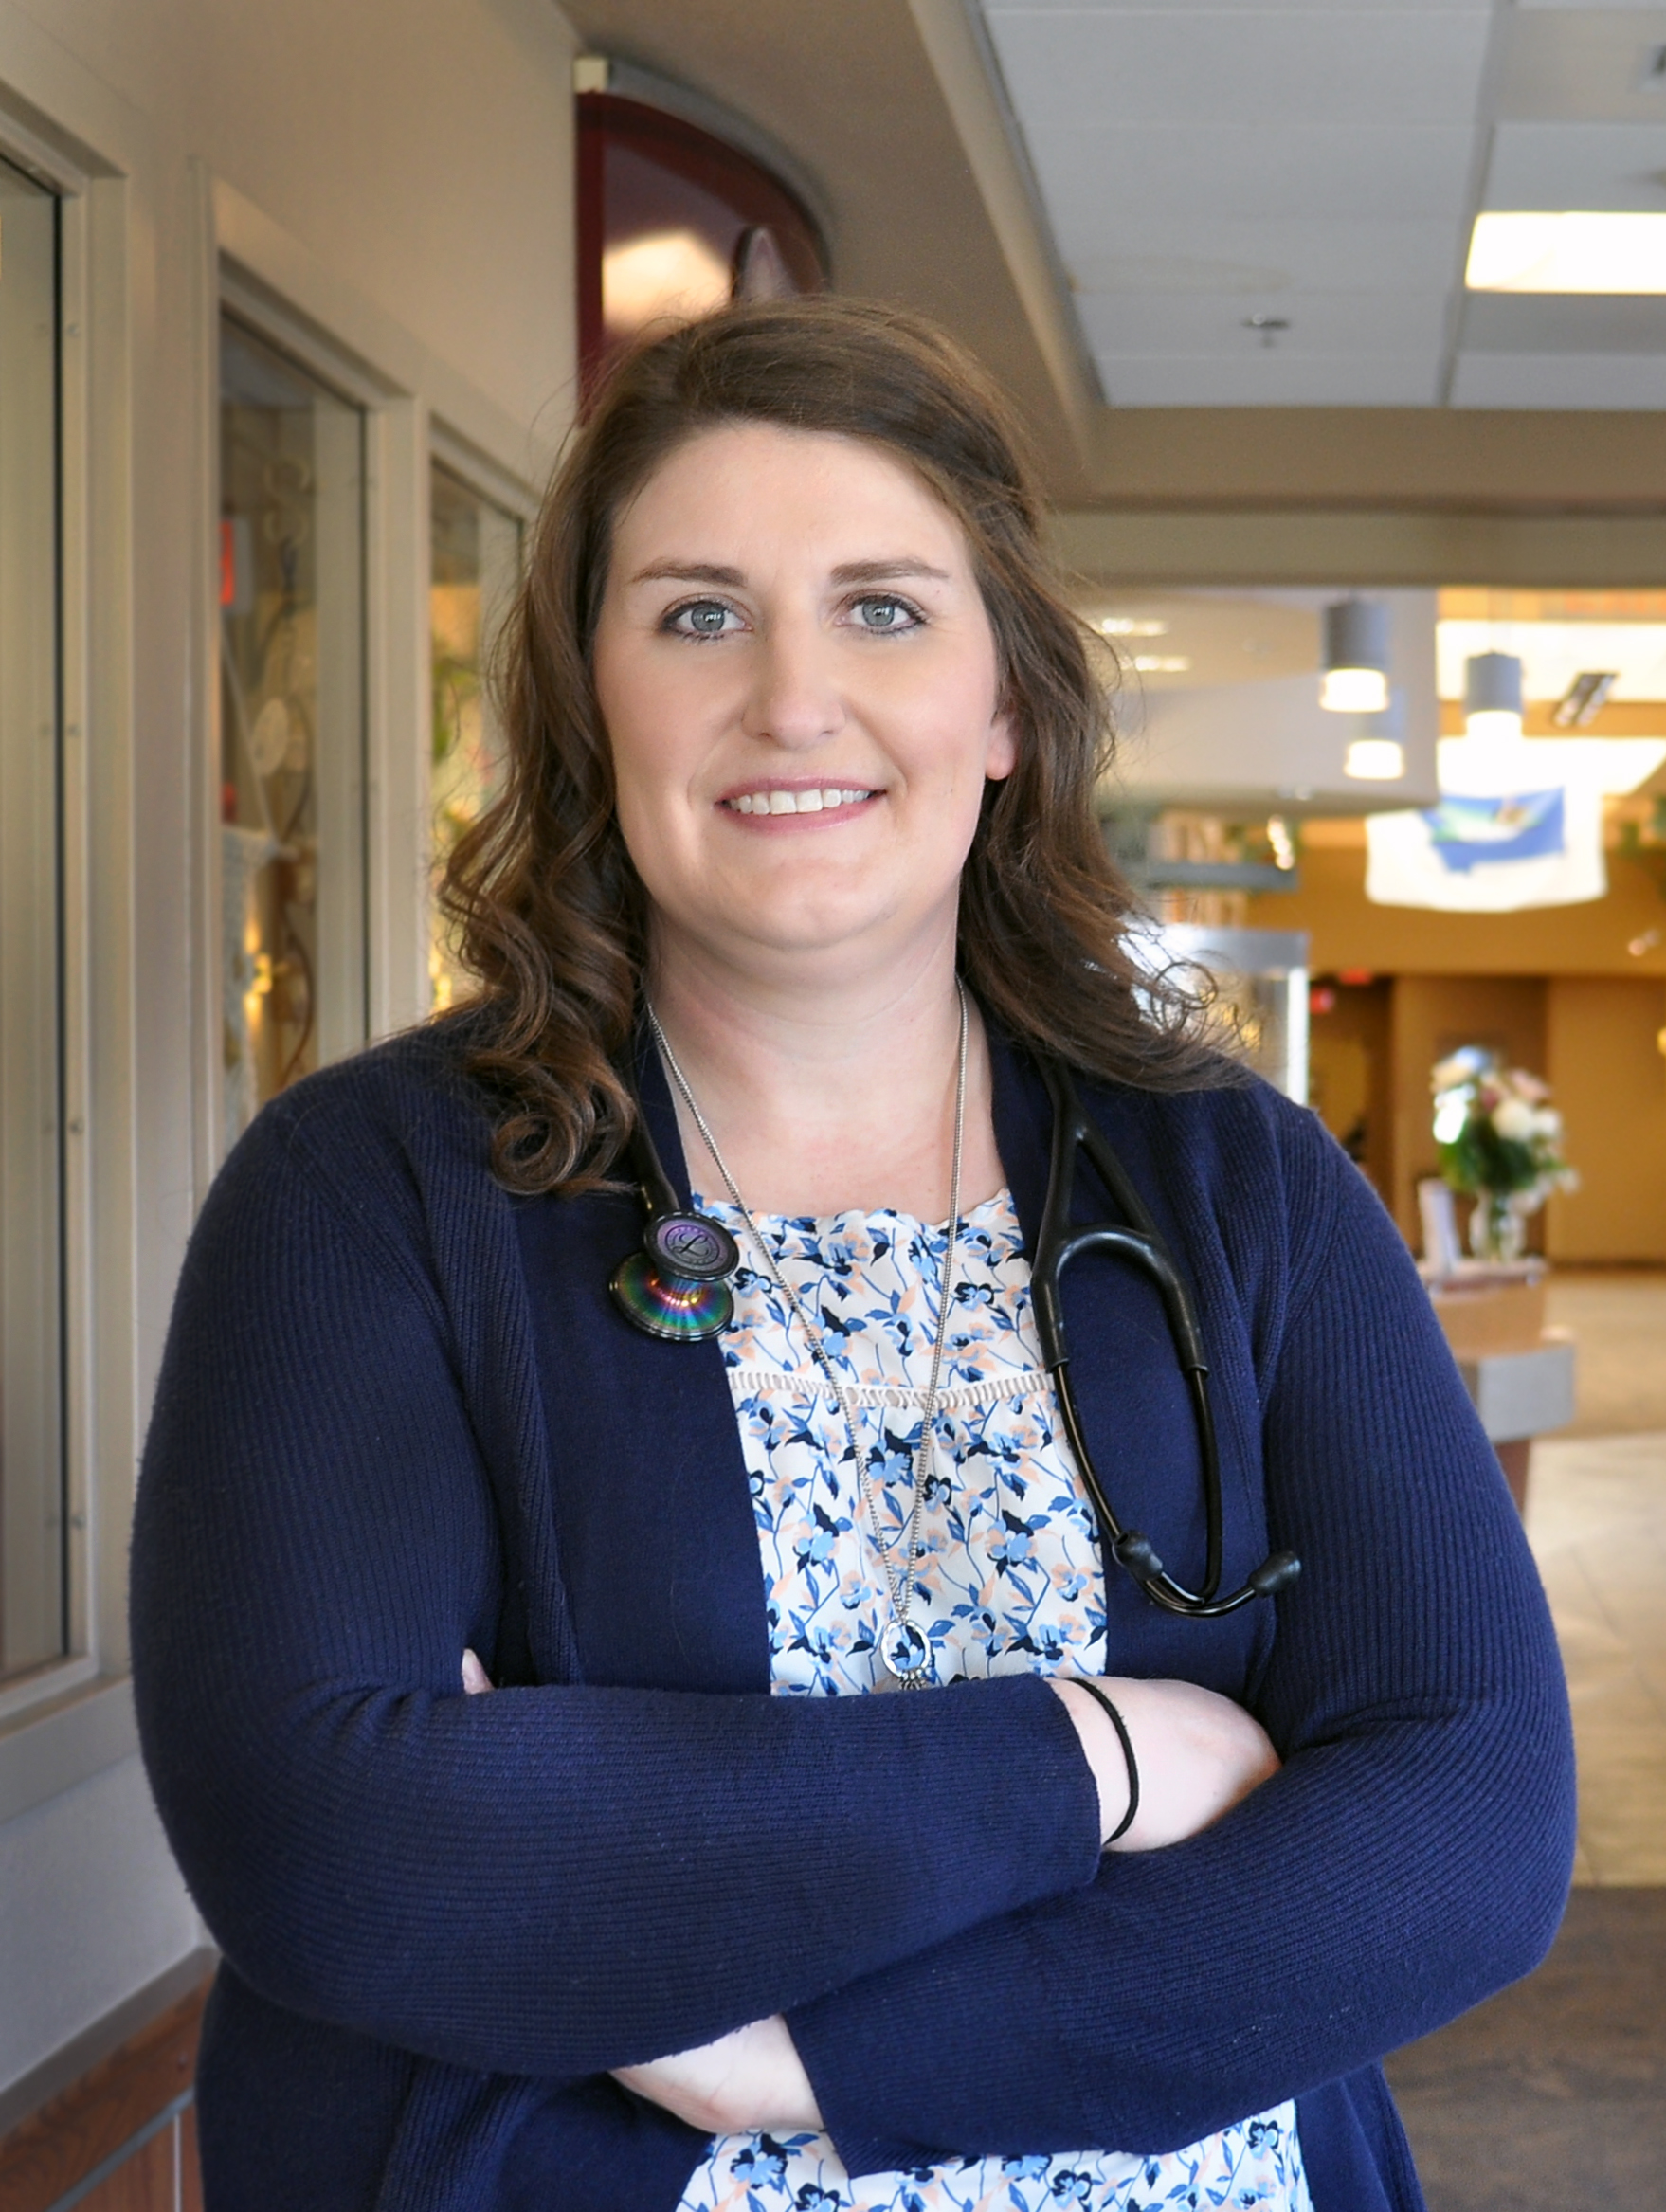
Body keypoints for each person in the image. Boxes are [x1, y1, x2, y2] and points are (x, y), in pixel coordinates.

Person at [130, 296, 1575, 2211]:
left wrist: (793, 2059)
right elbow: (336, 1844)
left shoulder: (1240, 1188)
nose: (791, 699)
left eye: (883, 607)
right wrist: (1096, 1762)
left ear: (999, 709)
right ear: (592, 696)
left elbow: (1468, 1825)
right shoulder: (373, 1200)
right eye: (698, 613)